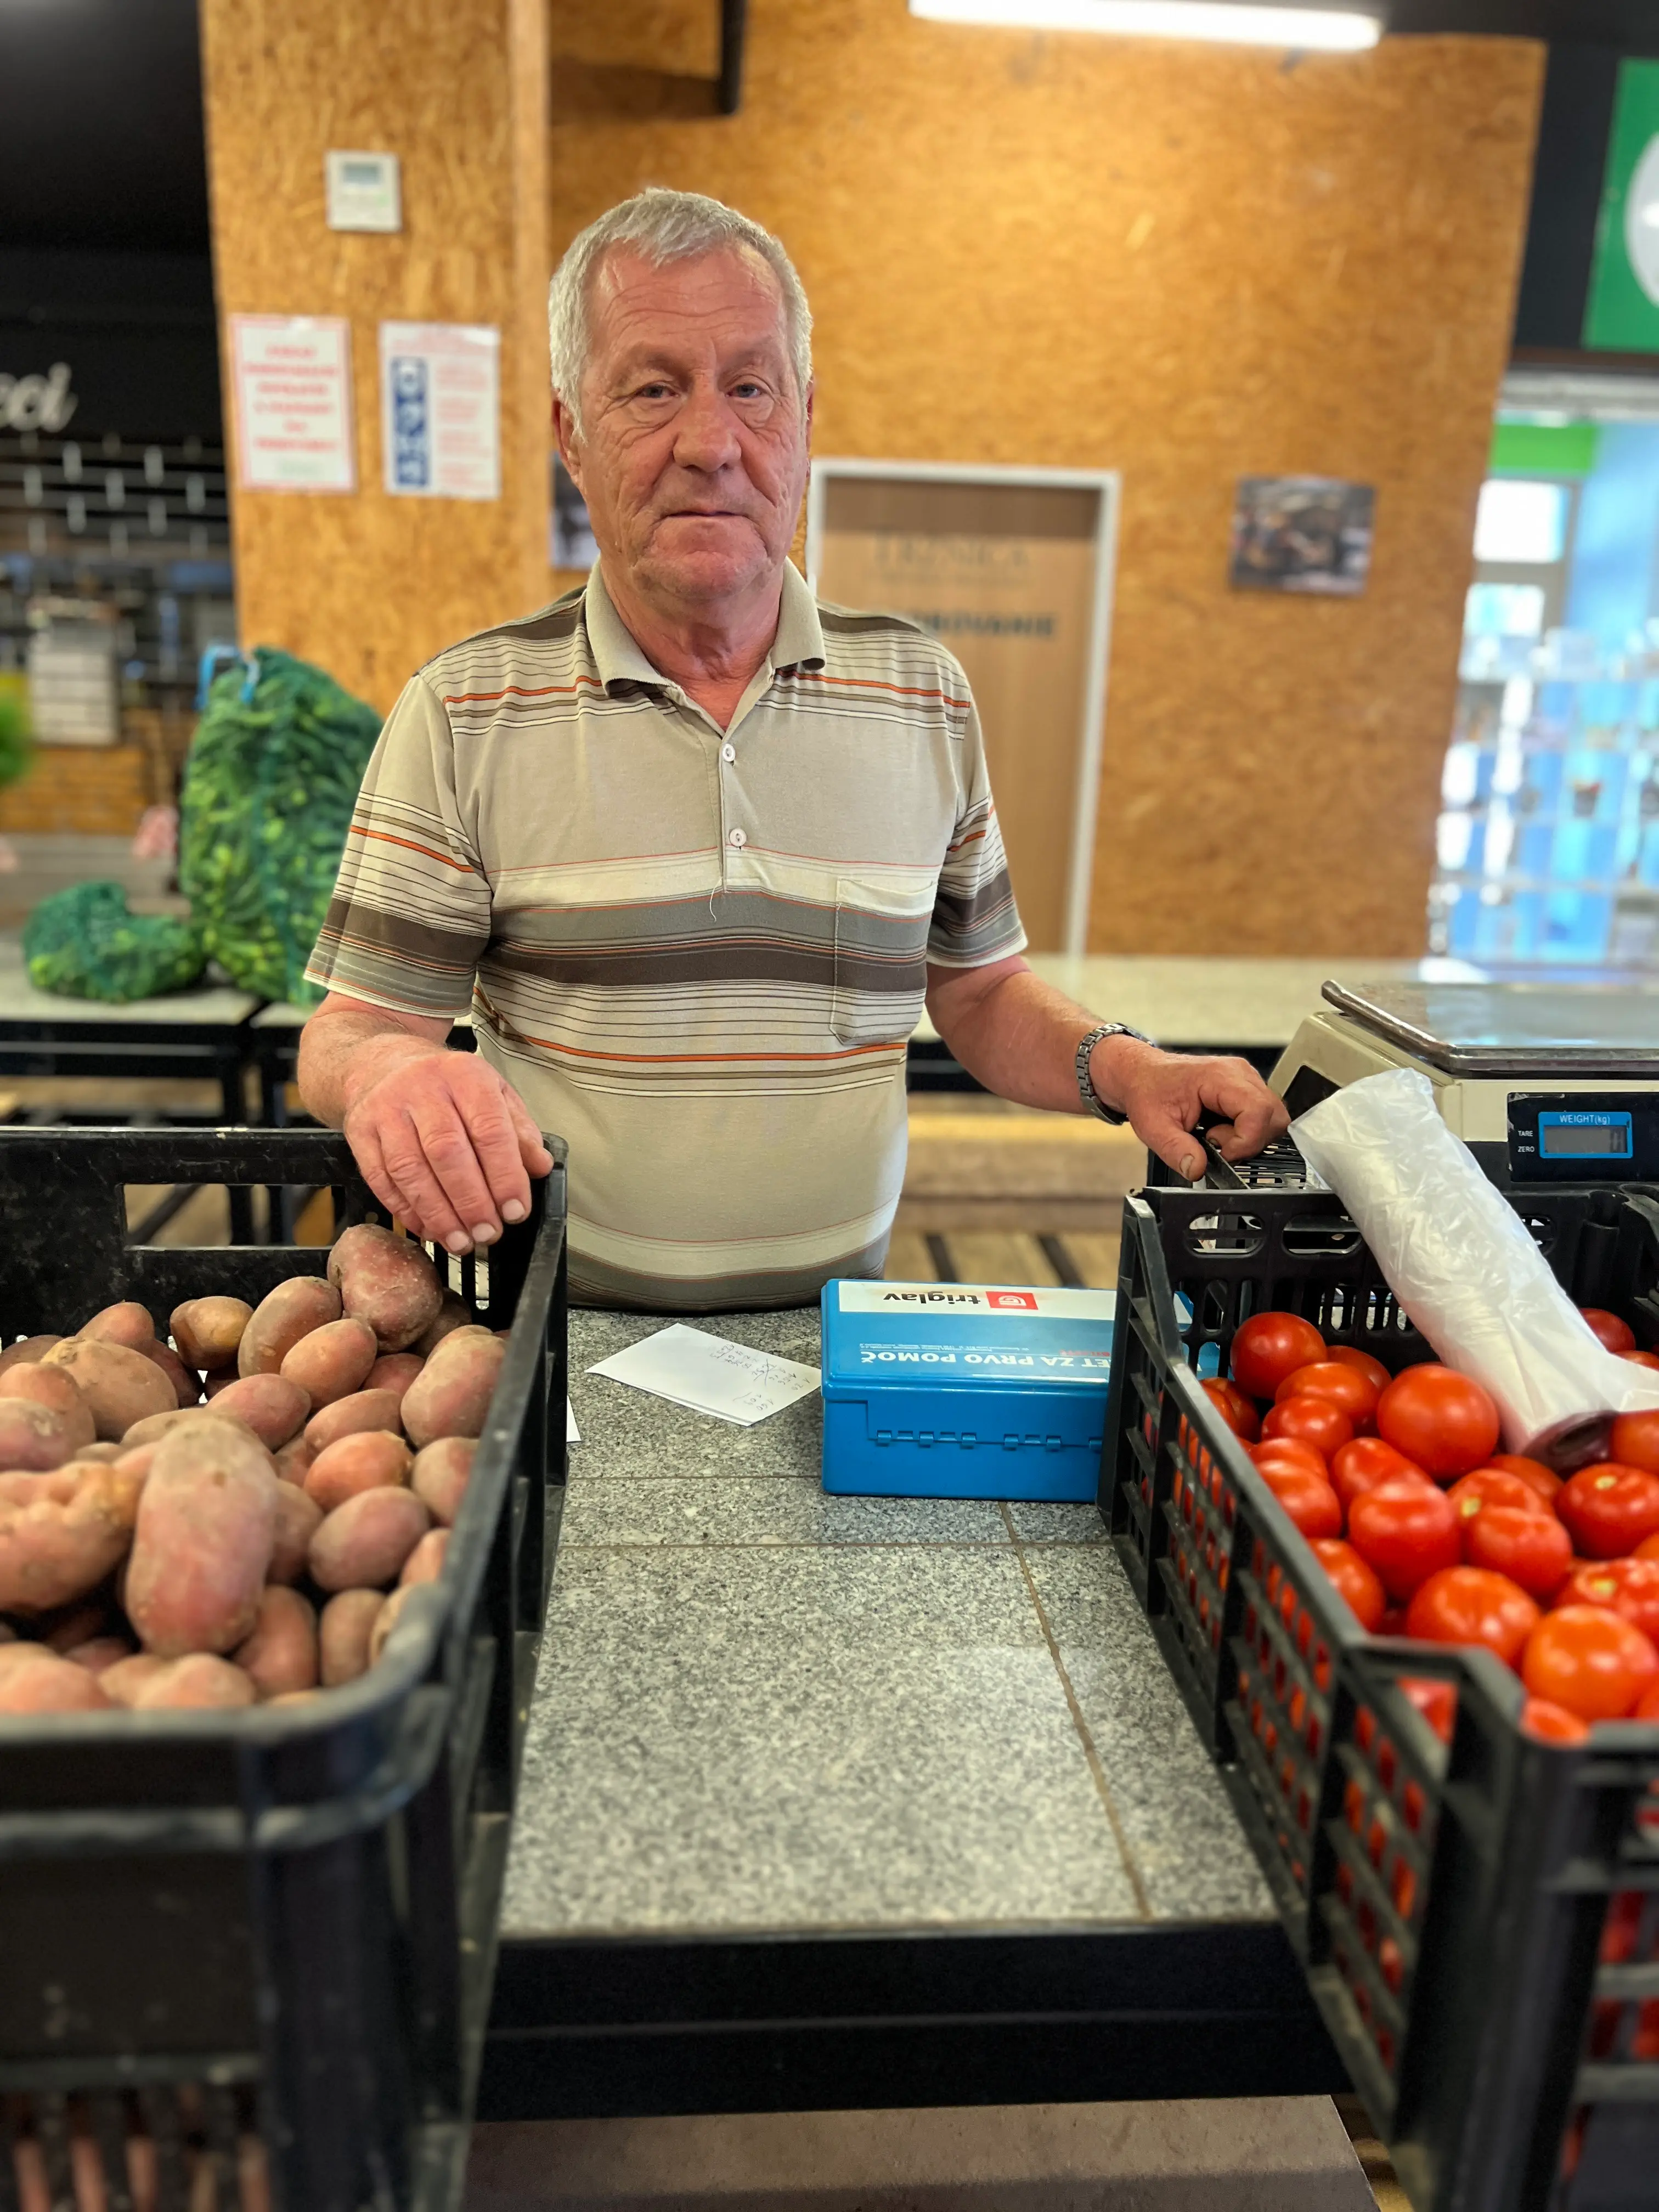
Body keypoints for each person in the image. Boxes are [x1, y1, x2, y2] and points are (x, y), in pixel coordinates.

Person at [299, 188, 1288, 1308]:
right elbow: (355, 1029)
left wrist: (1128, 1069)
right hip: (553, 1337)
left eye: (750, 389)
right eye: (653, 389)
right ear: (573, 433)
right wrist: (389, 1067)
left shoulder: (923, 694)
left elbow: (978, 992)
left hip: (839, 1341)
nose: (712, 444)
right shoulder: (466, 709)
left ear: (805, 424)